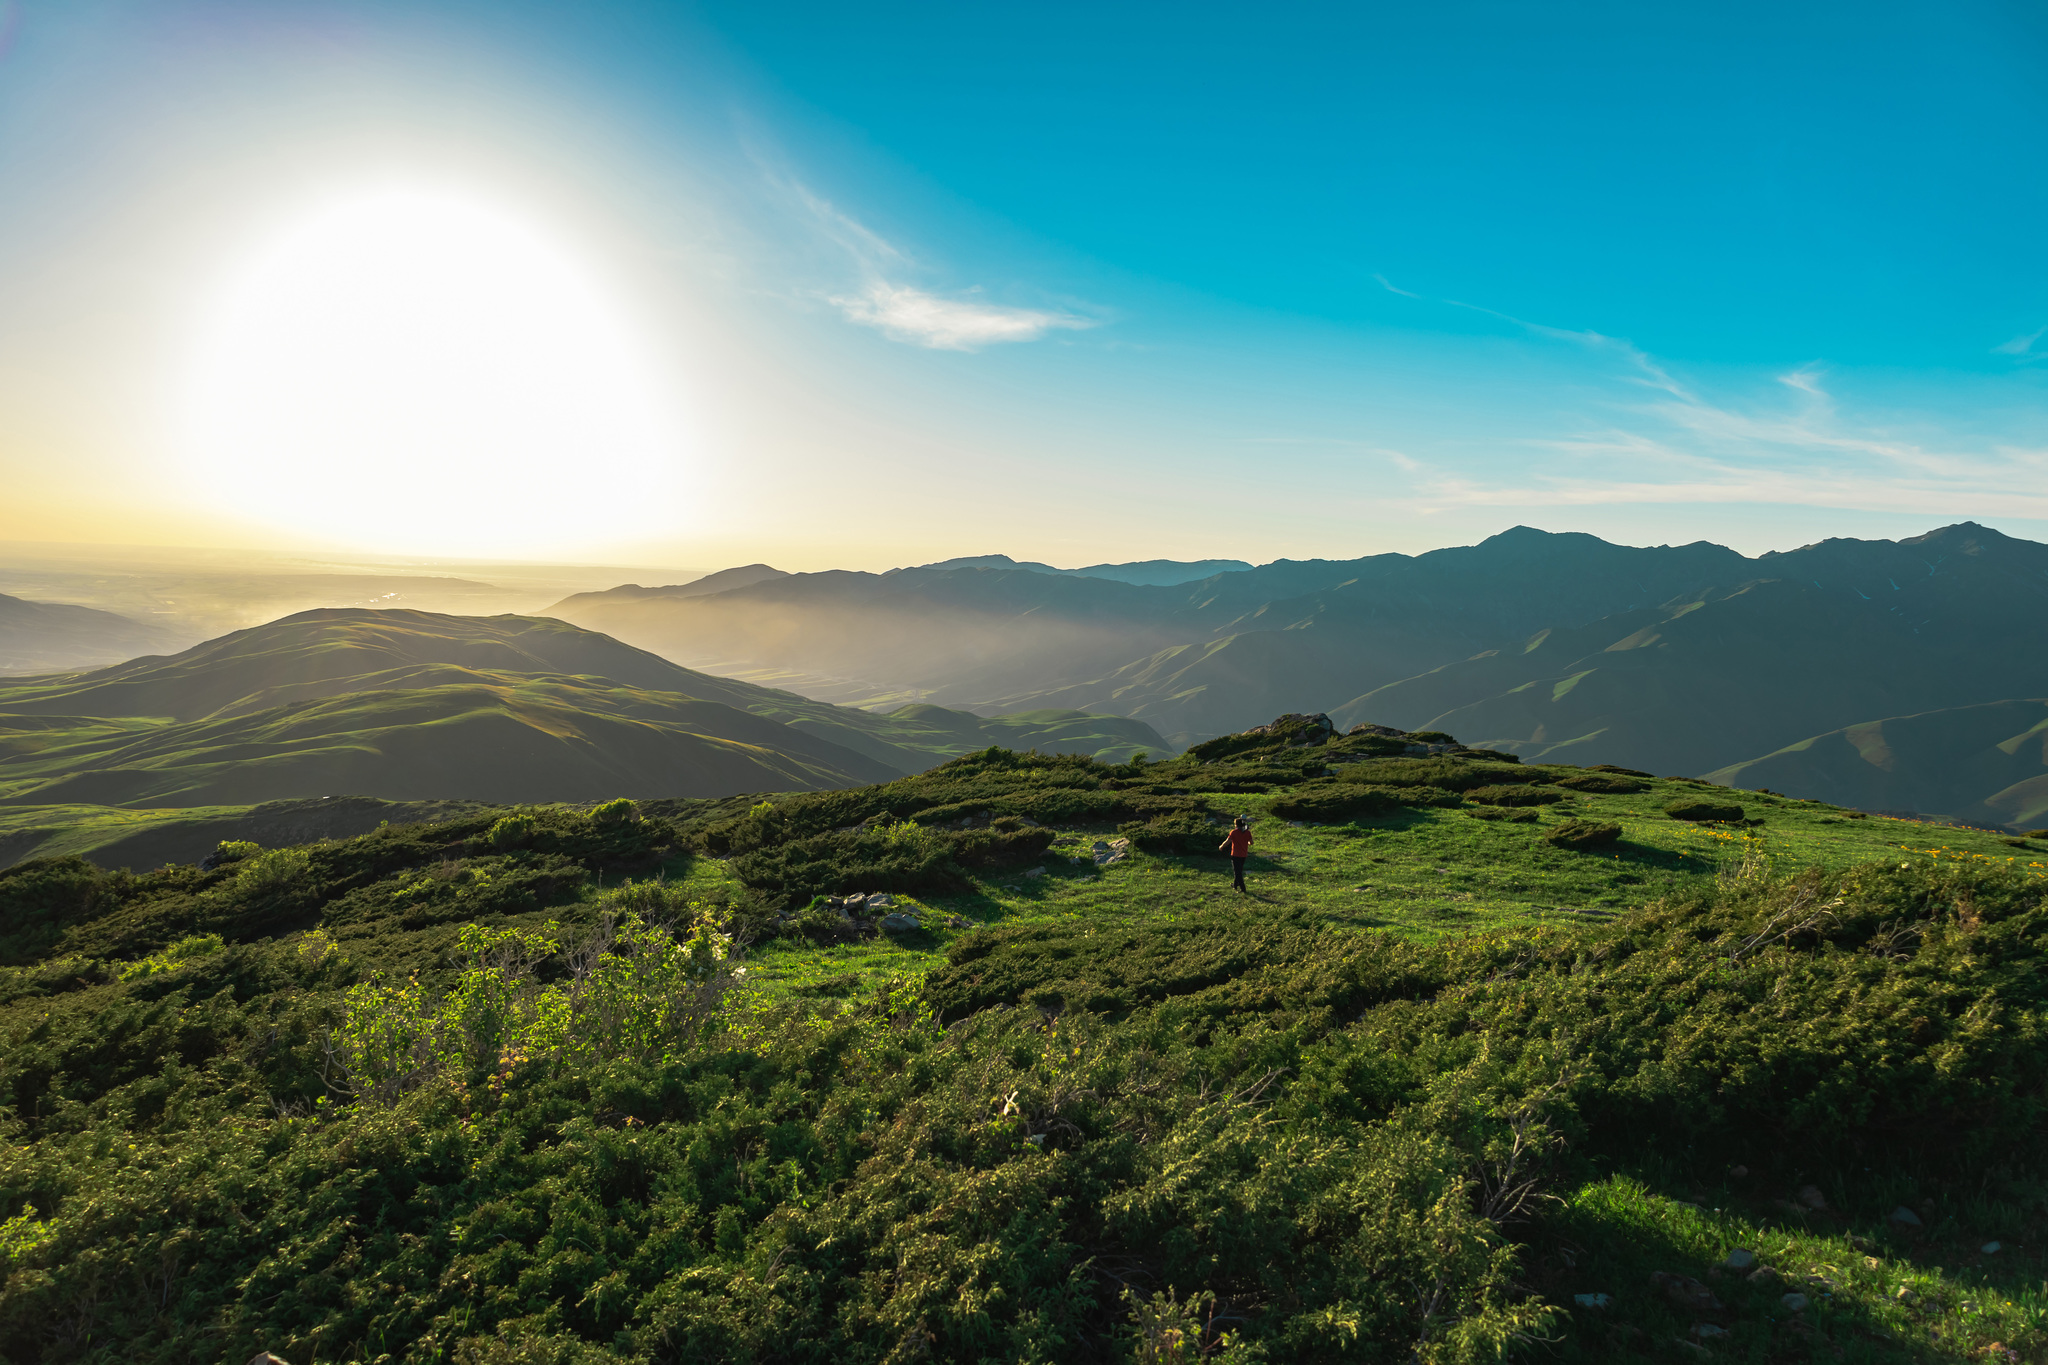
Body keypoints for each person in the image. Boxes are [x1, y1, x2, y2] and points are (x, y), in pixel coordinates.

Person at [1219, 816, 1253, 892]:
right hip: (1244, 855)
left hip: (1235, 854)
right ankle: (1235, 885)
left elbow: (1227, 841)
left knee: (1237, 873)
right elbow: (1251, 842)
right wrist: (1246, 842)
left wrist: (1221, 846)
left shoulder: (1234, 832)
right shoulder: (1247, 832)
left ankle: (1243, 888)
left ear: (1236, 825)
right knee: (1239, 870)